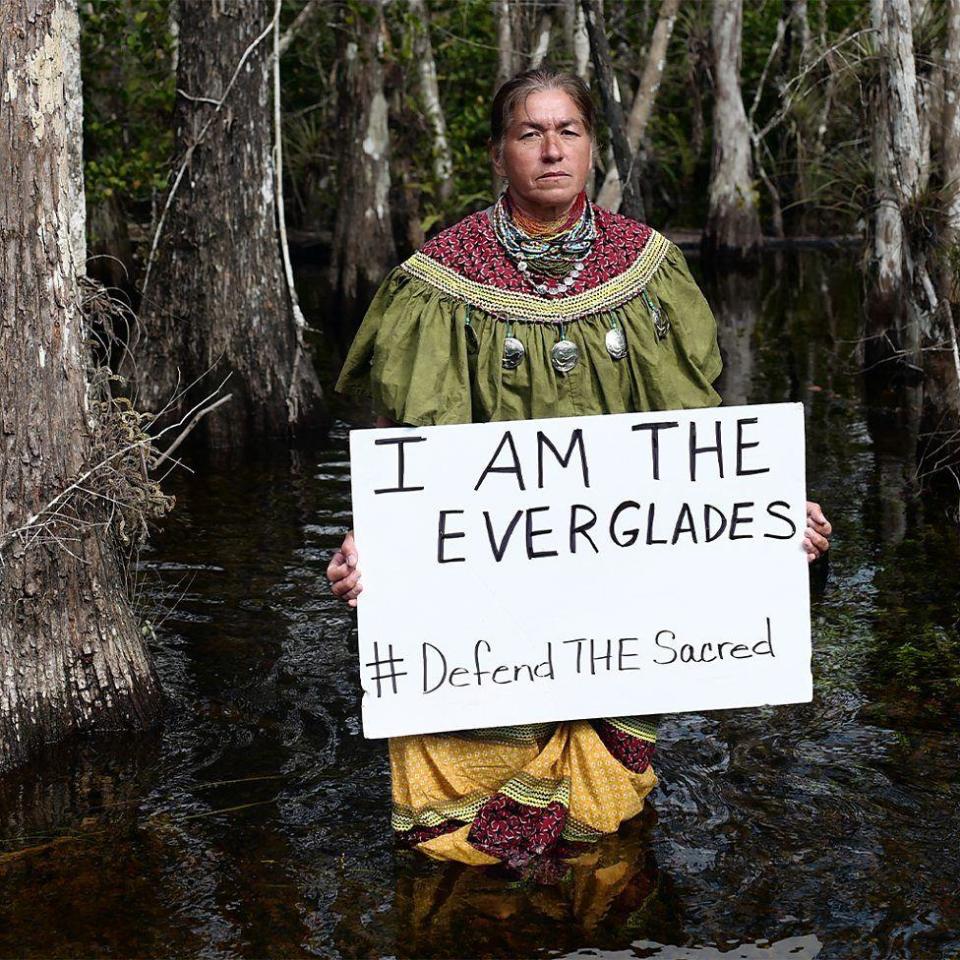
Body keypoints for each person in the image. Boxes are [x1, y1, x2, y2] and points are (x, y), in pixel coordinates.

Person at [327, 70, 832, 871]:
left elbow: (697, 436)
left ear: (593, 146)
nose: (551, 149)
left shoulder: (649, 266)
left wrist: (771, 519)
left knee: (605, 850)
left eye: (568, 131)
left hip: (611, 590)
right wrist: (374, 550)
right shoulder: (439, 278)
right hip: (483, 595)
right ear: (500, 152)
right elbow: (413, 449)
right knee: (458, 856)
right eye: (530, 133)